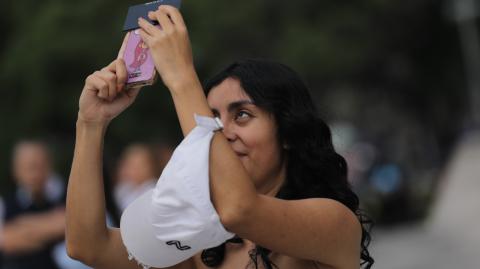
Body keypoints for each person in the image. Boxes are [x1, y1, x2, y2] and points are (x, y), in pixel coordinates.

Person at [66, 5, 373, 269]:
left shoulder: (335, 221)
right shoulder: (204, 245)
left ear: (288, 133)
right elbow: (89, 247)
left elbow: (240, 209)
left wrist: (182, 78)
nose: (222, 132)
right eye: (212, 117)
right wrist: (90, 124)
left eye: (242, 115)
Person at [1, 141, 66, 269]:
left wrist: (20, 225)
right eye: (29, 167)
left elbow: (71, 225)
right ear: (16, 170)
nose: (34, 173)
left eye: (39, 166)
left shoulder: (66, 195)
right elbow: (7, 242)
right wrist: (52, 228)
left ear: (49, 166)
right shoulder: (5, 203)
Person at [113, 144, 159, 212]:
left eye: (140, 165)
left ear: (151, 166)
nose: (135, 169)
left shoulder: (156, 189)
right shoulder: (122, 189)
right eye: (131, 165)